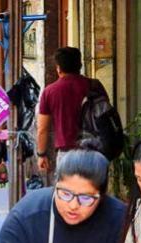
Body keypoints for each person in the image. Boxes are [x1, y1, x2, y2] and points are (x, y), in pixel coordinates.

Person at [36, 47, 108, 175]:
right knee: (92, 192)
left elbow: (42, 129)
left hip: (67, 155)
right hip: (94, 152)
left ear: (58, 68)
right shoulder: (94, 85)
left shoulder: (50, 91)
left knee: (67, 193)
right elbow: (106, 114)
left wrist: (41, 154)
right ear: (80, 65)